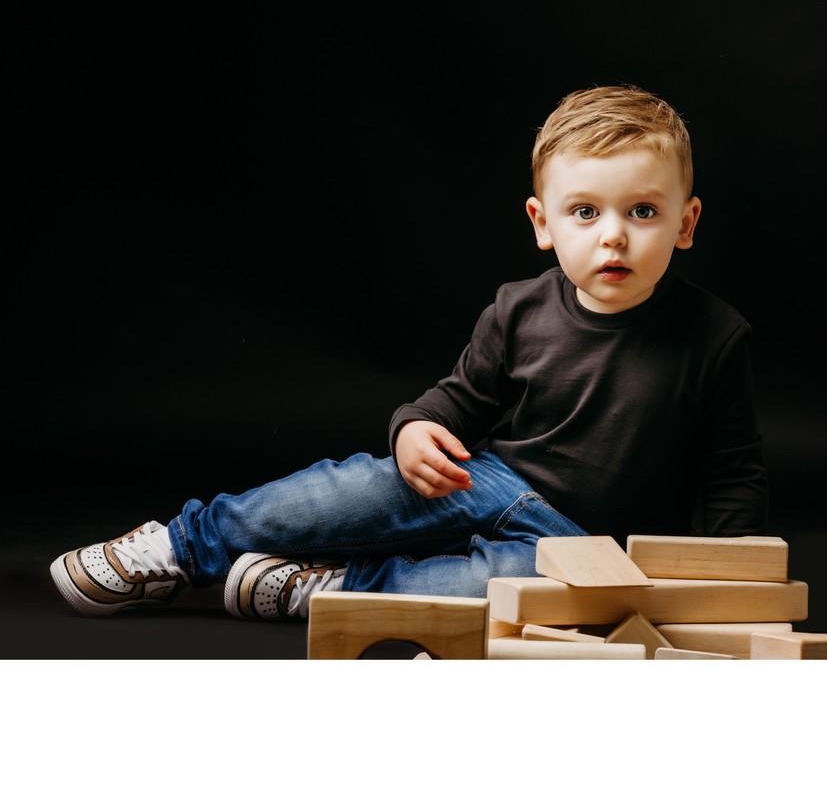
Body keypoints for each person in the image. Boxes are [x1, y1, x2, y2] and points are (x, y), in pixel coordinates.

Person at [50, 84, 769, 621]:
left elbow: (731, 470)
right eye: (586, 212)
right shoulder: (519, 309)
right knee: (361, 486)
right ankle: (184, 545)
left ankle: (334, 589)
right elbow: (457, 400)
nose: (614, 236)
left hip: (590, 547)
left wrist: (734, 572)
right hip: (489, 481)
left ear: (686, 222)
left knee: (505, 594)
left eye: (642, 211)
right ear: (542, 223)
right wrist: (414, 429)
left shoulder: (713, 334)